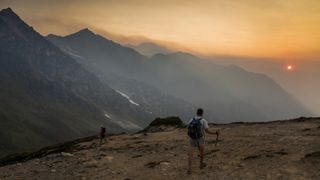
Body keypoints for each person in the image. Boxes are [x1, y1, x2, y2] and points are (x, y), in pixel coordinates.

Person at [187, 108, 219, 174]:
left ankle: (189, 169)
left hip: (192, 138)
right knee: (201, 152)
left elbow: (188, 128)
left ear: (196, 113)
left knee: (190, 154)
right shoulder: (203, 120)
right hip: (200, 139)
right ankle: (201, 165)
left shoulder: (191, 119)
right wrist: (215, 133)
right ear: (202, 113)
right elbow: (207, 131)